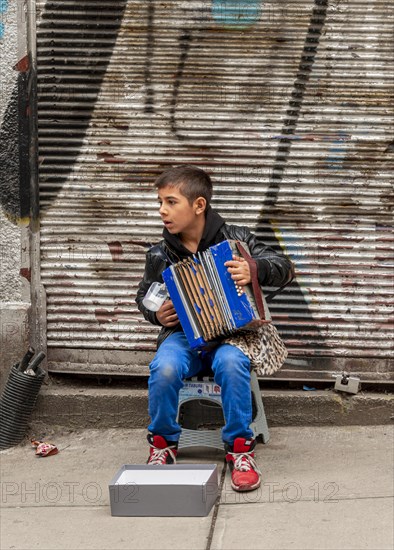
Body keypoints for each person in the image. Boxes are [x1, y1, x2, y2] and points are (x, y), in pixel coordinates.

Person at [136, 165, 293, 492]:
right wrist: (157, 315)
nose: (162, 210)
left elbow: (284, 269)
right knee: (163, 368)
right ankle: (163, 443)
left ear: (199, 205)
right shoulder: (160, 254)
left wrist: (254, 269)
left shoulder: (238, 240)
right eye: (160, 202)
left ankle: (239, 449)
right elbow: (144, 297)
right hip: (182, 337)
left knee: (233, 364)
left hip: (233, 336)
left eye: (170, 202)